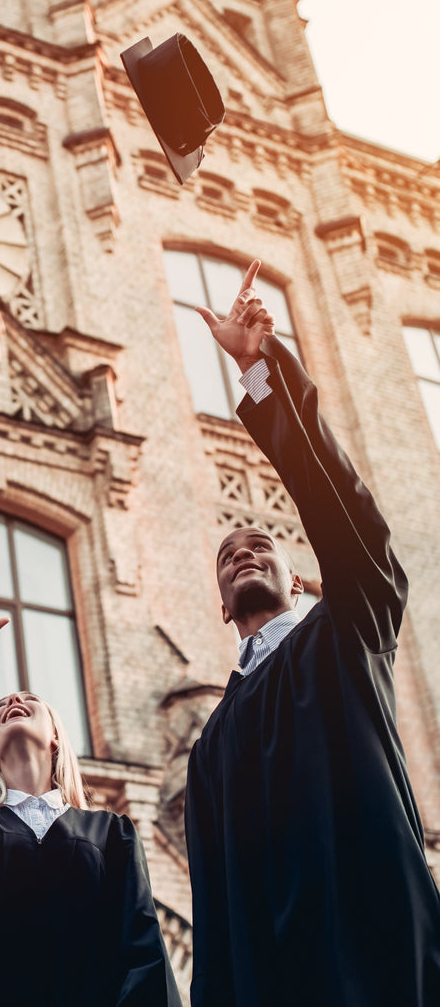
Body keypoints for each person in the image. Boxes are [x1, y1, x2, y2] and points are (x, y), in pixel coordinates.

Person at [184, 261, 440, 1006]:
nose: (244, 551)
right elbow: (217, 910)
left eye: (263, 546)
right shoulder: (212, 748)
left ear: (301, 581)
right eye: (228, 555)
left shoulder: (343, 635)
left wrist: (265, 372)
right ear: (222, 605)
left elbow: (351, 520)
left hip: (375, 951)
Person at [0, 576, 181, 1006]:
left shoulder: (110, 834)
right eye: (0, 707)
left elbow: (143, 951)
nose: (12, 700)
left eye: (29, 700)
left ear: (56, 736)